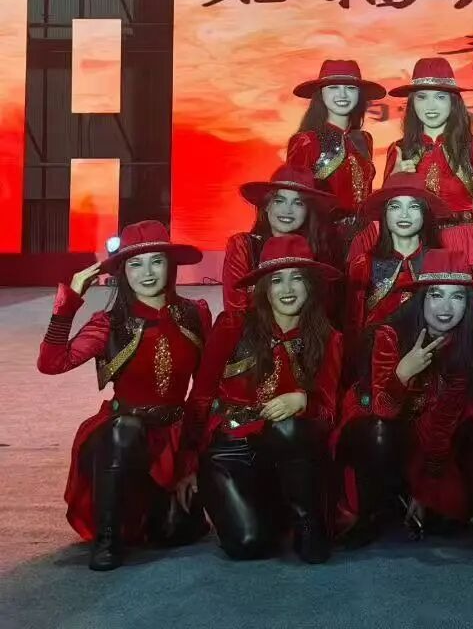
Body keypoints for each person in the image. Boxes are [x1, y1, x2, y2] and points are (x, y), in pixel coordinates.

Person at [36, 221, 209, 570]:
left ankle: (154, 508)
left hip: (174, 440)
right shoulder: (108, 322)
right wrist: (69, 303)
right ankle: (107, 539)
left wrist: (191, 463)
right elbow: (51, 363)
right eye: (135, 264)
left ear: (170, 266)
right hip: (121, 439)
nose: (147, 273)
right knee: (125, 429)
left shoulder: (196, 313)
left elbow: (205, 392)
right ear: (123, 272)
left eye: (156, 261)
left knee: (173, 533)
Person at [180, 235, 344, 563]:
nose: (287, 289)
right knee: (248, 544)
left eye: (297, 278)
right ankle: (265, 511)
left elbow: (328, 413)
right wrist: (185, 465)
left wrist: (304, 401)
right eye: (277, 280)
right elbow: (201, 396)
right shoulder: (233, 326)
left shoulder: (329, 338)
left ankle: (308, 524)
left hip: (287, 453)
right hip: (231, 450)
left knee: (288, 427)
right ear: (264, 288)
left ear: (311, 285)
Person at [334, 250, 473, 548]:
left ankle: (408, 496)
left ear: (468, 303)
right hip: (374, 429)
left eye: (457, 297)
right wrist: (402, 374)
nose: (446, 308)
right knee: (380, 434)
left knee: (447, 519)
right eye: (436, 295)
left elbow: (443, 423)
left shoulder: (465, 343)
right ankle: (370, 514)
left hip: (425, 432)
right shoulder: (390, 334)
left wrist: (425, 490)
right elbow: (383, 410)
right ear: (421, 298)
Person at [285, 59, 387, 260]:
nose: (342, 95)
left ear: (359, 94)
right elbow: (294, 200)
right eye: (333, 88)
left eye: (350, 88)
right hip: (323, 239)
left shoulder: (364, 139)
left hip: (365, 238)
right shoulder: (306, 141)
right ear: (320, 94)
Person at [343, 171, 448, 344]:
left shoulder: (441, 263)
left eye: (413, 206)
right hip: (373, 356)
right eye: (395, 207)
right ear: (384, 213)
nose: (404, 215)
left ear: (424, 213)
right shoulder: (363, 265)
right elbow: (353, 329)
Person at [221, 164, 336, 314]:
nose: (287, 210)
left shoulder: (317, 252)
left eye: (298, 203)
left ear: (307, 210)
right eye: (279, 201)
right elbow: (235, 312)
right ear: (267, 205)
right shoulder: (244, 247)